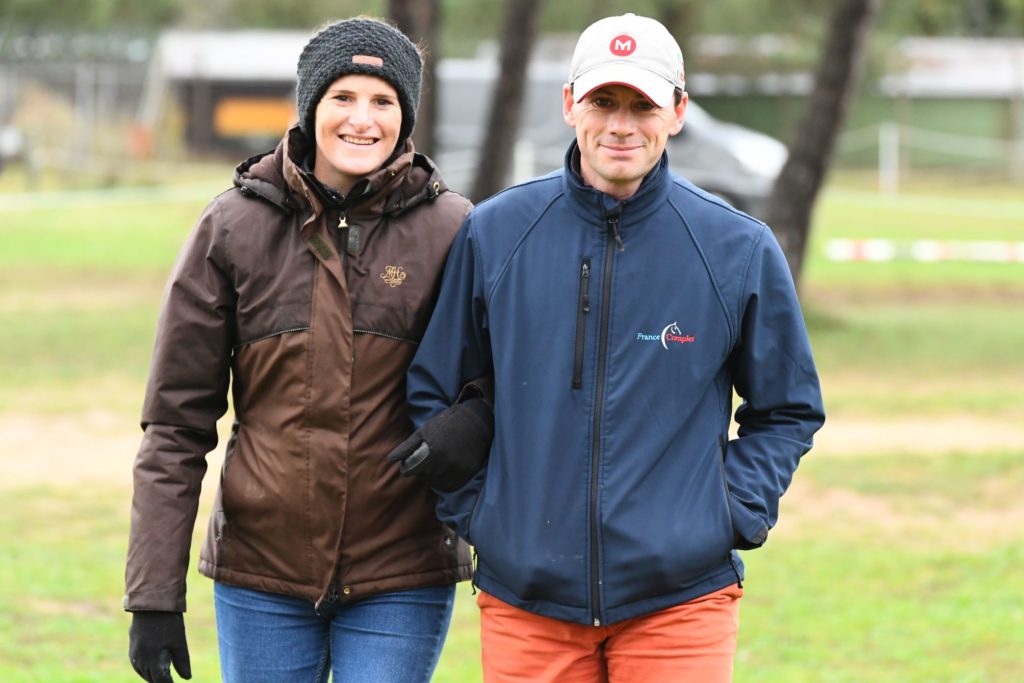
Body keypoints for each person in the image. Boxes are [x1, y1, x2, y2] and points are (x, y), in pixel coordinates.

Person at [392, 12, 825, 683]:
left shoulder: (737, 248)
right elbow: (432, 390)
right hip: (525, 601)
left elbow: (789, 407)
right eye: (603, 101)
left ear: (677, 112)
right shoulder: (495, 234)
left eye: (642, 105)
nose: (621, 125)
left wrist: (729, 510)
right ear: (570, 104)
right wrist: (484, 514)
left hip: (680, 602)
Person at [124, 17, 475, 683]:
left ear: (407, 117)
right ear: (311, 105)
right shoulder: (231, 227)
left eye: (383, 102)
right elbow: (175, 423)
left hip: (401, 569)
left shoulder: (453, 228)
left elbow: (502, 371)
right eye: (343, 97)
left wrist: (477, 417)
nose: (362, 120)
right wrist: (152, 594)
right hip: (261, 574)